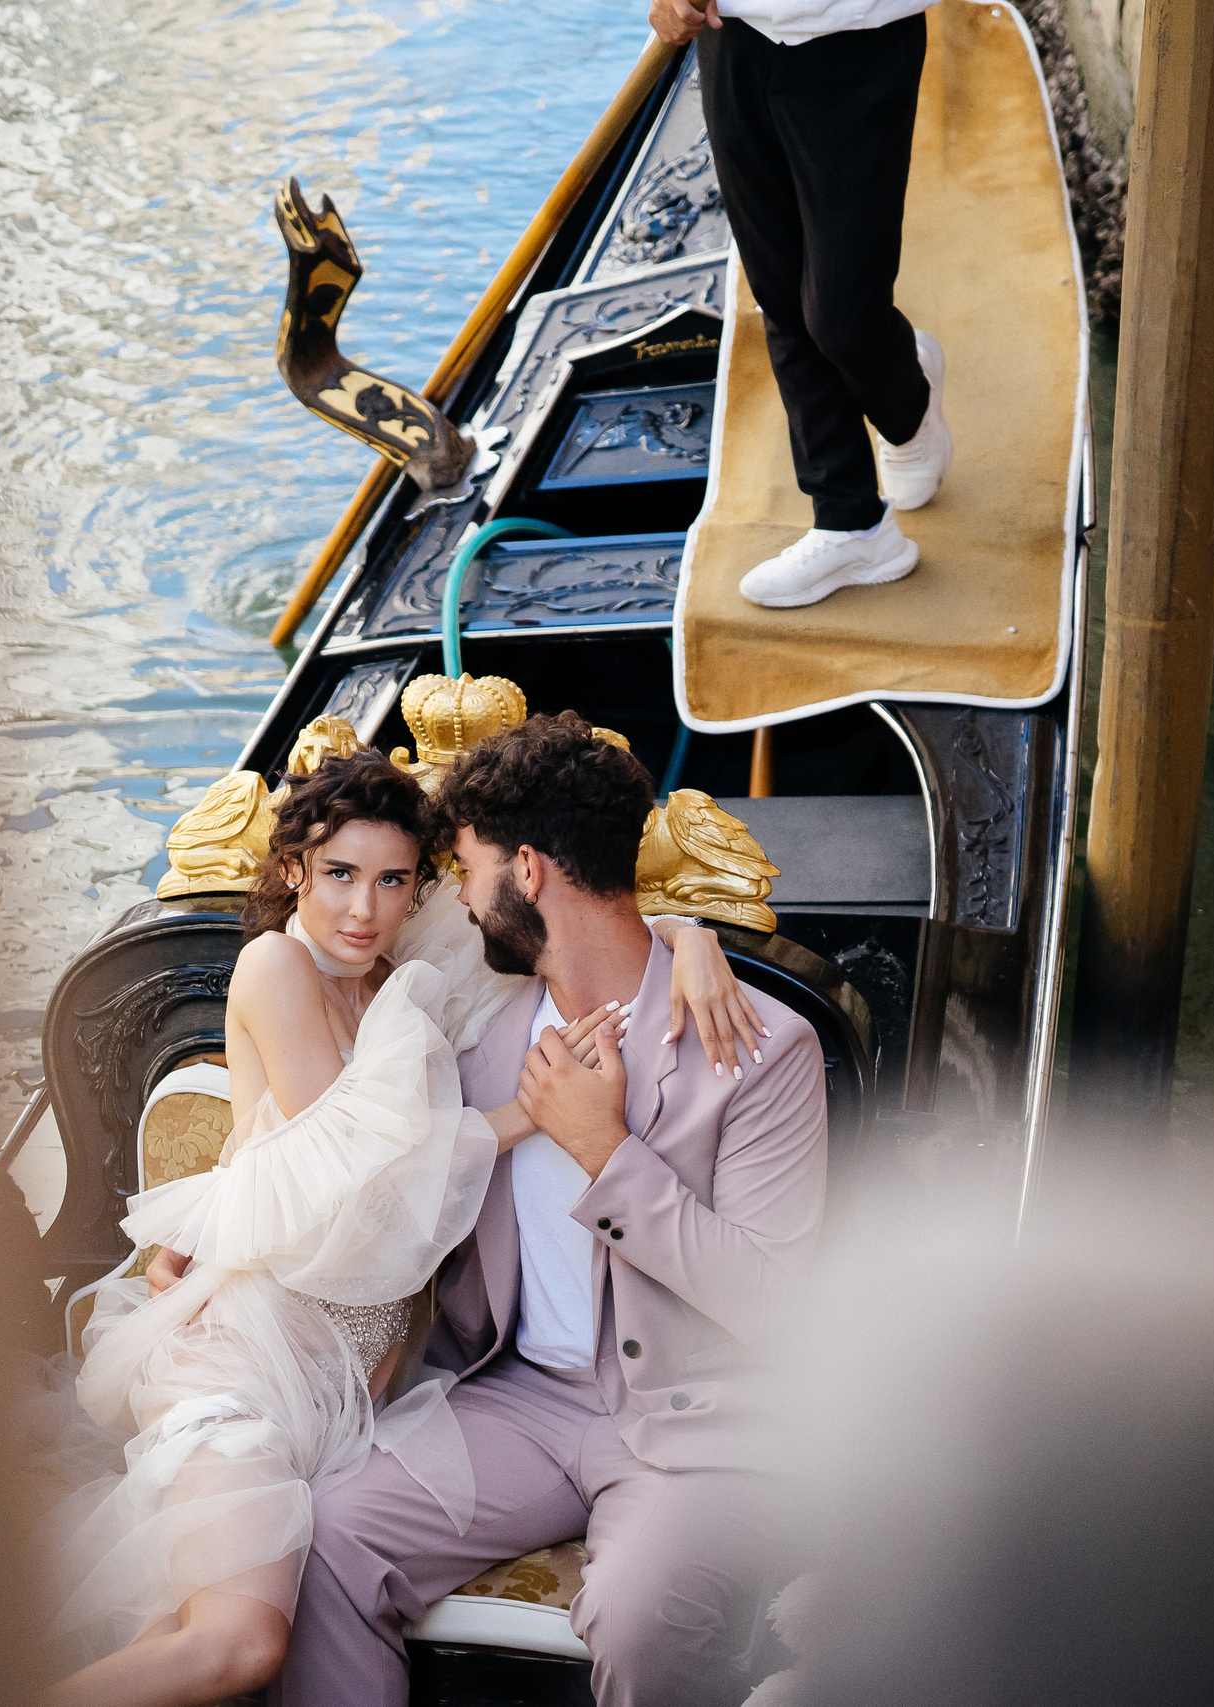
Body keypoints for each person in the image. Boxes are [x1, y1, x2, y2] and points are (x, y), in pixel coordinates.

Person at [37, 749, 764, 1707]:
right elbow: (357, 1177)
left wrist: (688, 934)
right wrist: (535, 1114)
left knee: (184, 1638)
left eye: (393, 880)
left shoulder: (401, 972)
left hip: (360, 1390)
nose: (363, 907)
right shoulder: (278, 963)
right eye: (339, 873)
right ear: (293, 867)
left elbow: (575, 920)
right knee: (234, 1646)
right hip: (254, 1363)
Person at [275, 714, 829, 1707]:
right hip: (516, 1400)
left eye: (470, 869)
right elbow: (346, 1165)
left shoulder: (761, 1048)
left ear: (526, 870)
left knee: (641, 1615)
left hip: (694, 1425)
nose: (459, 899)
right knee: (325, 1537)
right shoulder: (474, 1035)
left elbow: (775, 1303)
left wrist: (603, 1149)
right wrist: (202, 1245)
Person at [652, 0, 951, 609]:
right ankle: (850, 523)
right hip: (733, 37)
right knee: (780, 293)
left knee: (843, 317)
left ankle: (907, 397)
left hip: (856, 37)